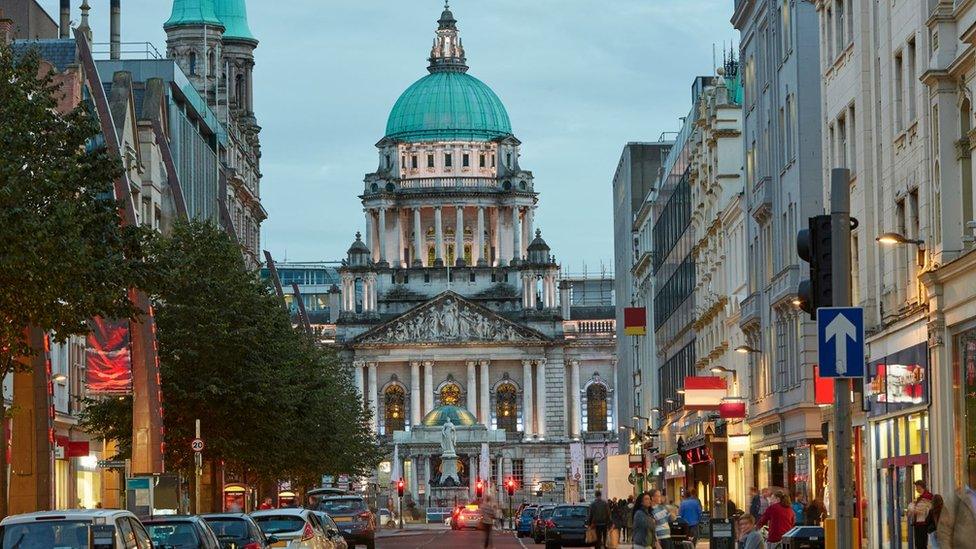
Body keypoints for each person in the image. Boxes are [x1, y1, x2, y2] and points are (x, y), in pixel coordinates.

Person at [909, 480, 934, 549]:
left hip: (922, 523)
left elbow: (920, 510)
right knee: (918, 544)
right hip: (918, 523)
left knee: (921, 544)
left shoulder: (927, 497)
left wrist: (912, 508)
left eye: (916, 487)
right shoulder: (920, 497)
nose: (916, 489)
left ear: (920, 487)